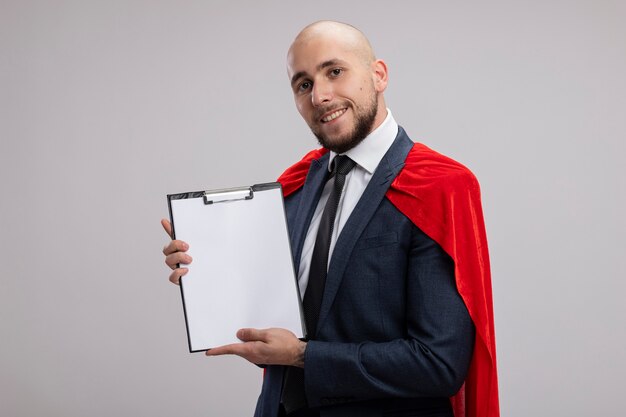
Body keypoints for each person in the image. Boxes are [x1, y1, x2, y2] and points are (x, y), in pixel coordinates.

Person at [162, 21, 499, 417]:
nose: (320, 96)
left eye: (334, 72)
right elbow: (285, 325)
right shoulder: (295, 187)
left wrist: (304, 356)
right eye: (303, 84)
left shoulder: (439, 186)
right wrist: (208, 274)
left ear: (378, 75)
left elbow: (439, 364)